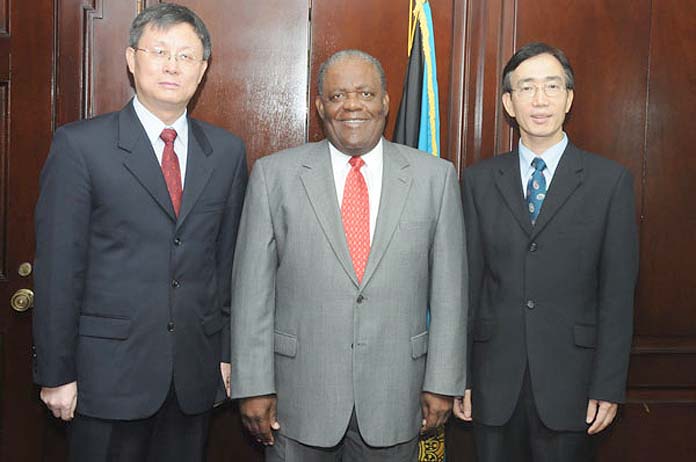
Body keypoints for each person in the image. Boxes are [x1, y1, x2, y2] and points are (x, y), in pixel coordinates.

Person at [32, 3, 247, 461]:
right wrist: (56, 372)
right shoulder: (81, 146)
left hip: (193, 373)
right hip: (105, 377)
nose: (172, 65)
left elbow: (228, 264)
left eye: (186, 56)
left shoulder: (226, 153)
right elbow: (58, 268)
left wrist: (227, 355)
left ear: (203, 69)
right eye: (159, 51)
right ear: (132, 59)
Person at [230, 49, 467, 461]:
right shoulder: (274, 176)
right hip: (298, 398)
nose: (352, 105)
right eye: (338, 96)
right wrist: (253, 385)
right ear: (320, 106)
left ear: (386, 102)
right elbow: (252, 293)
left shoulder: (435, 177)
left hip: (397, 395)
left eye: (365, 93)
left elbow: (450, 292)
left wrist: (442, 381)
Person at [454, 42, 639, 461]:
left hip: (572, 387)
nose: (540, 100)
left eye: (552, 87)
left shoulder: (609, 183)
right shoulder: (479, 181)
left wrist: (608, 385)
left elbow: (617, 294)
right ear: (509, 103)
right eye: (527, 88)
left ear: (569, 98)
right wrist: (459, 375)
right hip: (492, 384)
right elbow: (466, 285)